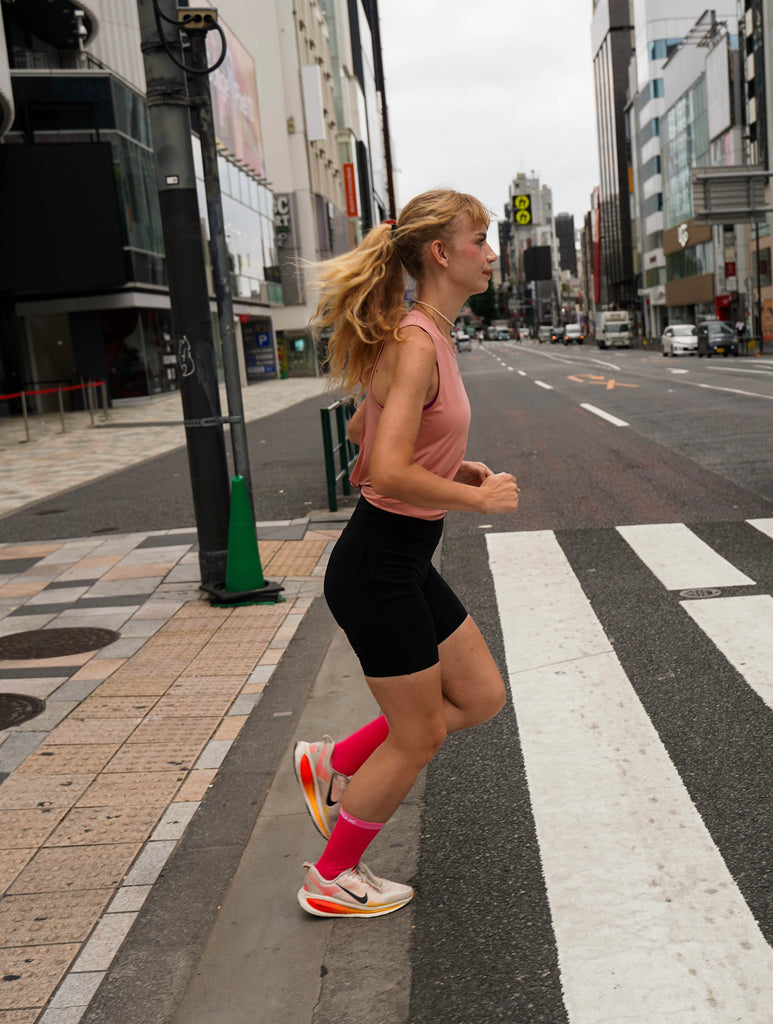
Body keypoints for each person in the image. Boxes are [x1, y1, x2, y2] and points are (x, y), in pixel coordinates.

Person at [293, 190, 520, 918]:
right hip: (379, 566)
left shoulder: (428, 334)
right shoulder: (418, 341)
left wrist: (452, 467)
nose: (491, 253)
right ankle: (331, 877)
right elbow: (386, 472)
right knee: (418, 735)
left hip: (402, 559)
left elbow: (363, 435)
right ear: (441, 254)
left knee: (479, 696)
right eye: (480, 240)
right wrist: (477, 499)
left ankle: (335, 762)